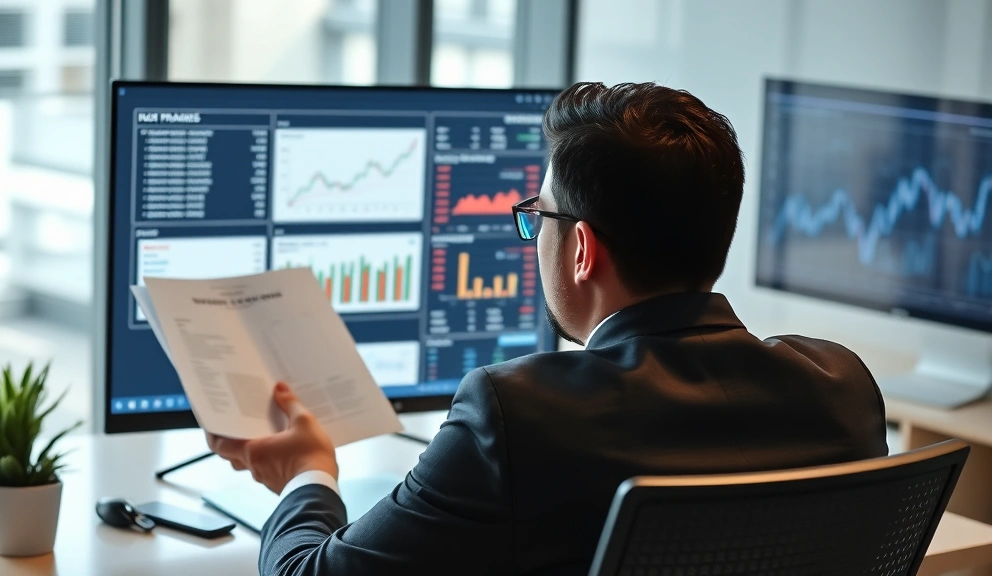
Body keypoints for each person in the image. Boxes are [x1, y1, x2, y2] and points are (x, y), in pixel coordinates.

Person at [207, 82, 888, 576]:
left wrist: (307, 473)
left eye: (540, 216)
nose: (533, 236)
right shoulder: (839, 384)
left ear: (583, 250)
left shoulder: (519, 415)